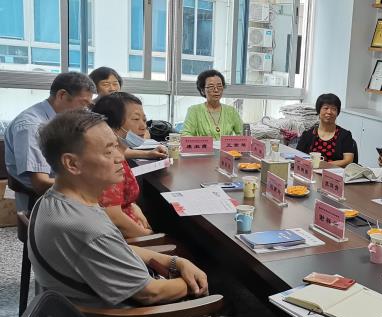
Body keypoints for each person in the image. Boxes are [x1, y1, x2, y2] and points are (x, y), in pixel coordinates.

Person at [31, 109, 283, 317]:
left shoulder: (57, 201)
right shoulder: (86, 228)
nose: (120, 157)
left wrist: (171, 260)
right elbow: (149, 294)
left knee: (215, 295)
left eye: (117, 146)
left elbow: (119, 250)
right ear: (72, 163)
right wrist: (197, 283)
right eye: (108, 151)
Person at [3, 71, 95, 211]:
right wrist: (87, 182)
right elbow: (40, 183)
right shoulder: (32, 126)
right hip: (40, 200)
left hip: (62, 188)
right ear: (62, 95)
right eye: (83, 104)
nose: (85, 111)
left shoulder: (60, 118)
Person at [91, 92, 168, 238]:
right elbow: (114, 218)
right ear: (111, 125)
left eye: (144, 120)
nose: (143, 126)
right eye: (136, 119)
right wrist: (150, 236)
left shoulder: (117, 152)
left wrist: (133, 205)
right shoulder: (109, 164)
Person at [296, 93, 356, 168]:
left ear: (337, 112)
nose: (329, 112)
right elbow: (298, 156)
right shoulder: (308, 135)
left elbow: (348, 160)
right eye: (326, 108)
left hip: (334, 173)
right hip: (311, 171)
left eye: (333, 109)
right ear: (319, 110)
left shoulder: (345, 135)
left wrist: (323, 165)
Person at [182, 69, 243, 139]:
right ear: (202, 91)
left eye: (219, 86)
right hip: (203, 147)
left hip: (227, 147)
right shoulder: (194, 111)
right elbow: (185, 135)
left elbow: (243, 134)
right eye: (211, 87)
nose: (216, 90)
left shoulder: (231, 111)